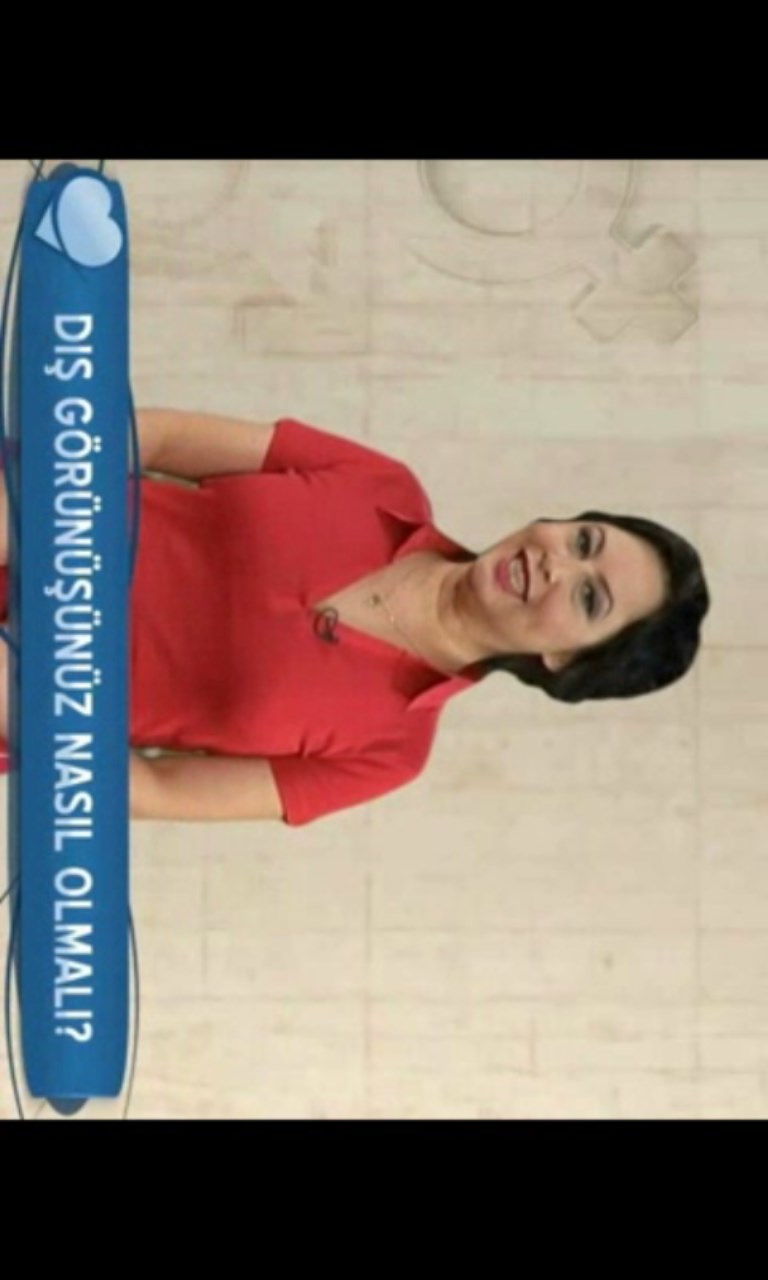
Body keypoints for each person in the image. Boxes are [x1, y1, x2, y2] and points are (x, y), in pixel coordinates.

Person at [0, 410, 709, 825]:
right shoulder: (382, 484)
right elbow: (162, 439)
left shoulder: (389, 754)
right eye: (583, 541)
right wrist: (23, 513)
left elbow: (155, 789)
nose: (558, 564)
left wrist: (26, 696)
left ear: (568, 663)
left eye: (589, 597)